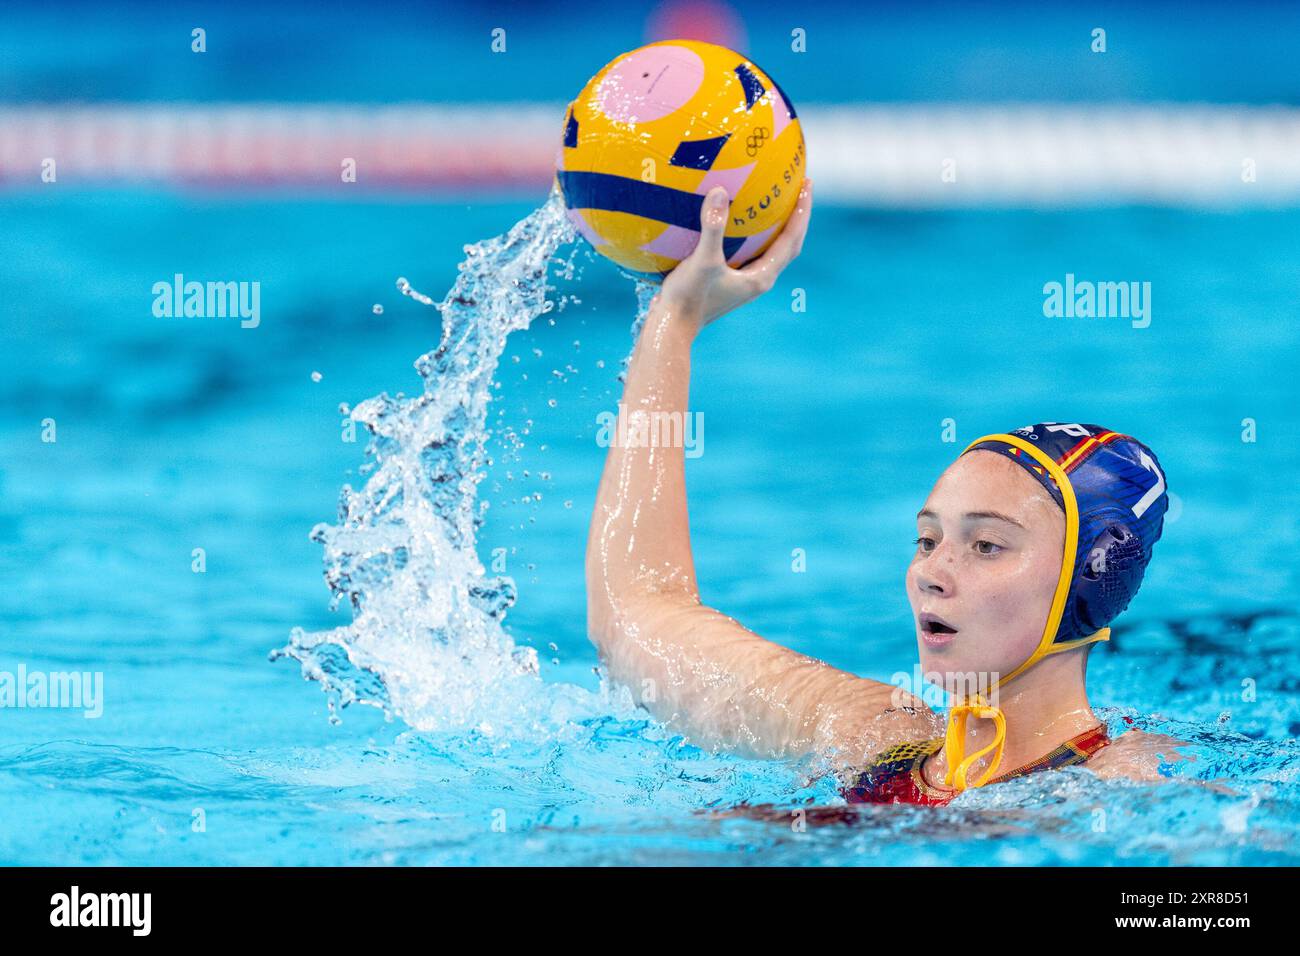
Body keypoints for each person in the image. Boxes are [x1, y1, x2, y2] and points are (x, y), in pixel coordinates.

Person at [585, 181, 1192, 806]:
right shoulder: (875, 736)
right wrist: (675, 322)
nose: (931, 571)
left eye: (986, 545)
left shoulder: (1122, 788)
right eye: (927, 540)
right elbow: (636, 619)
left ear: (1090, 579)